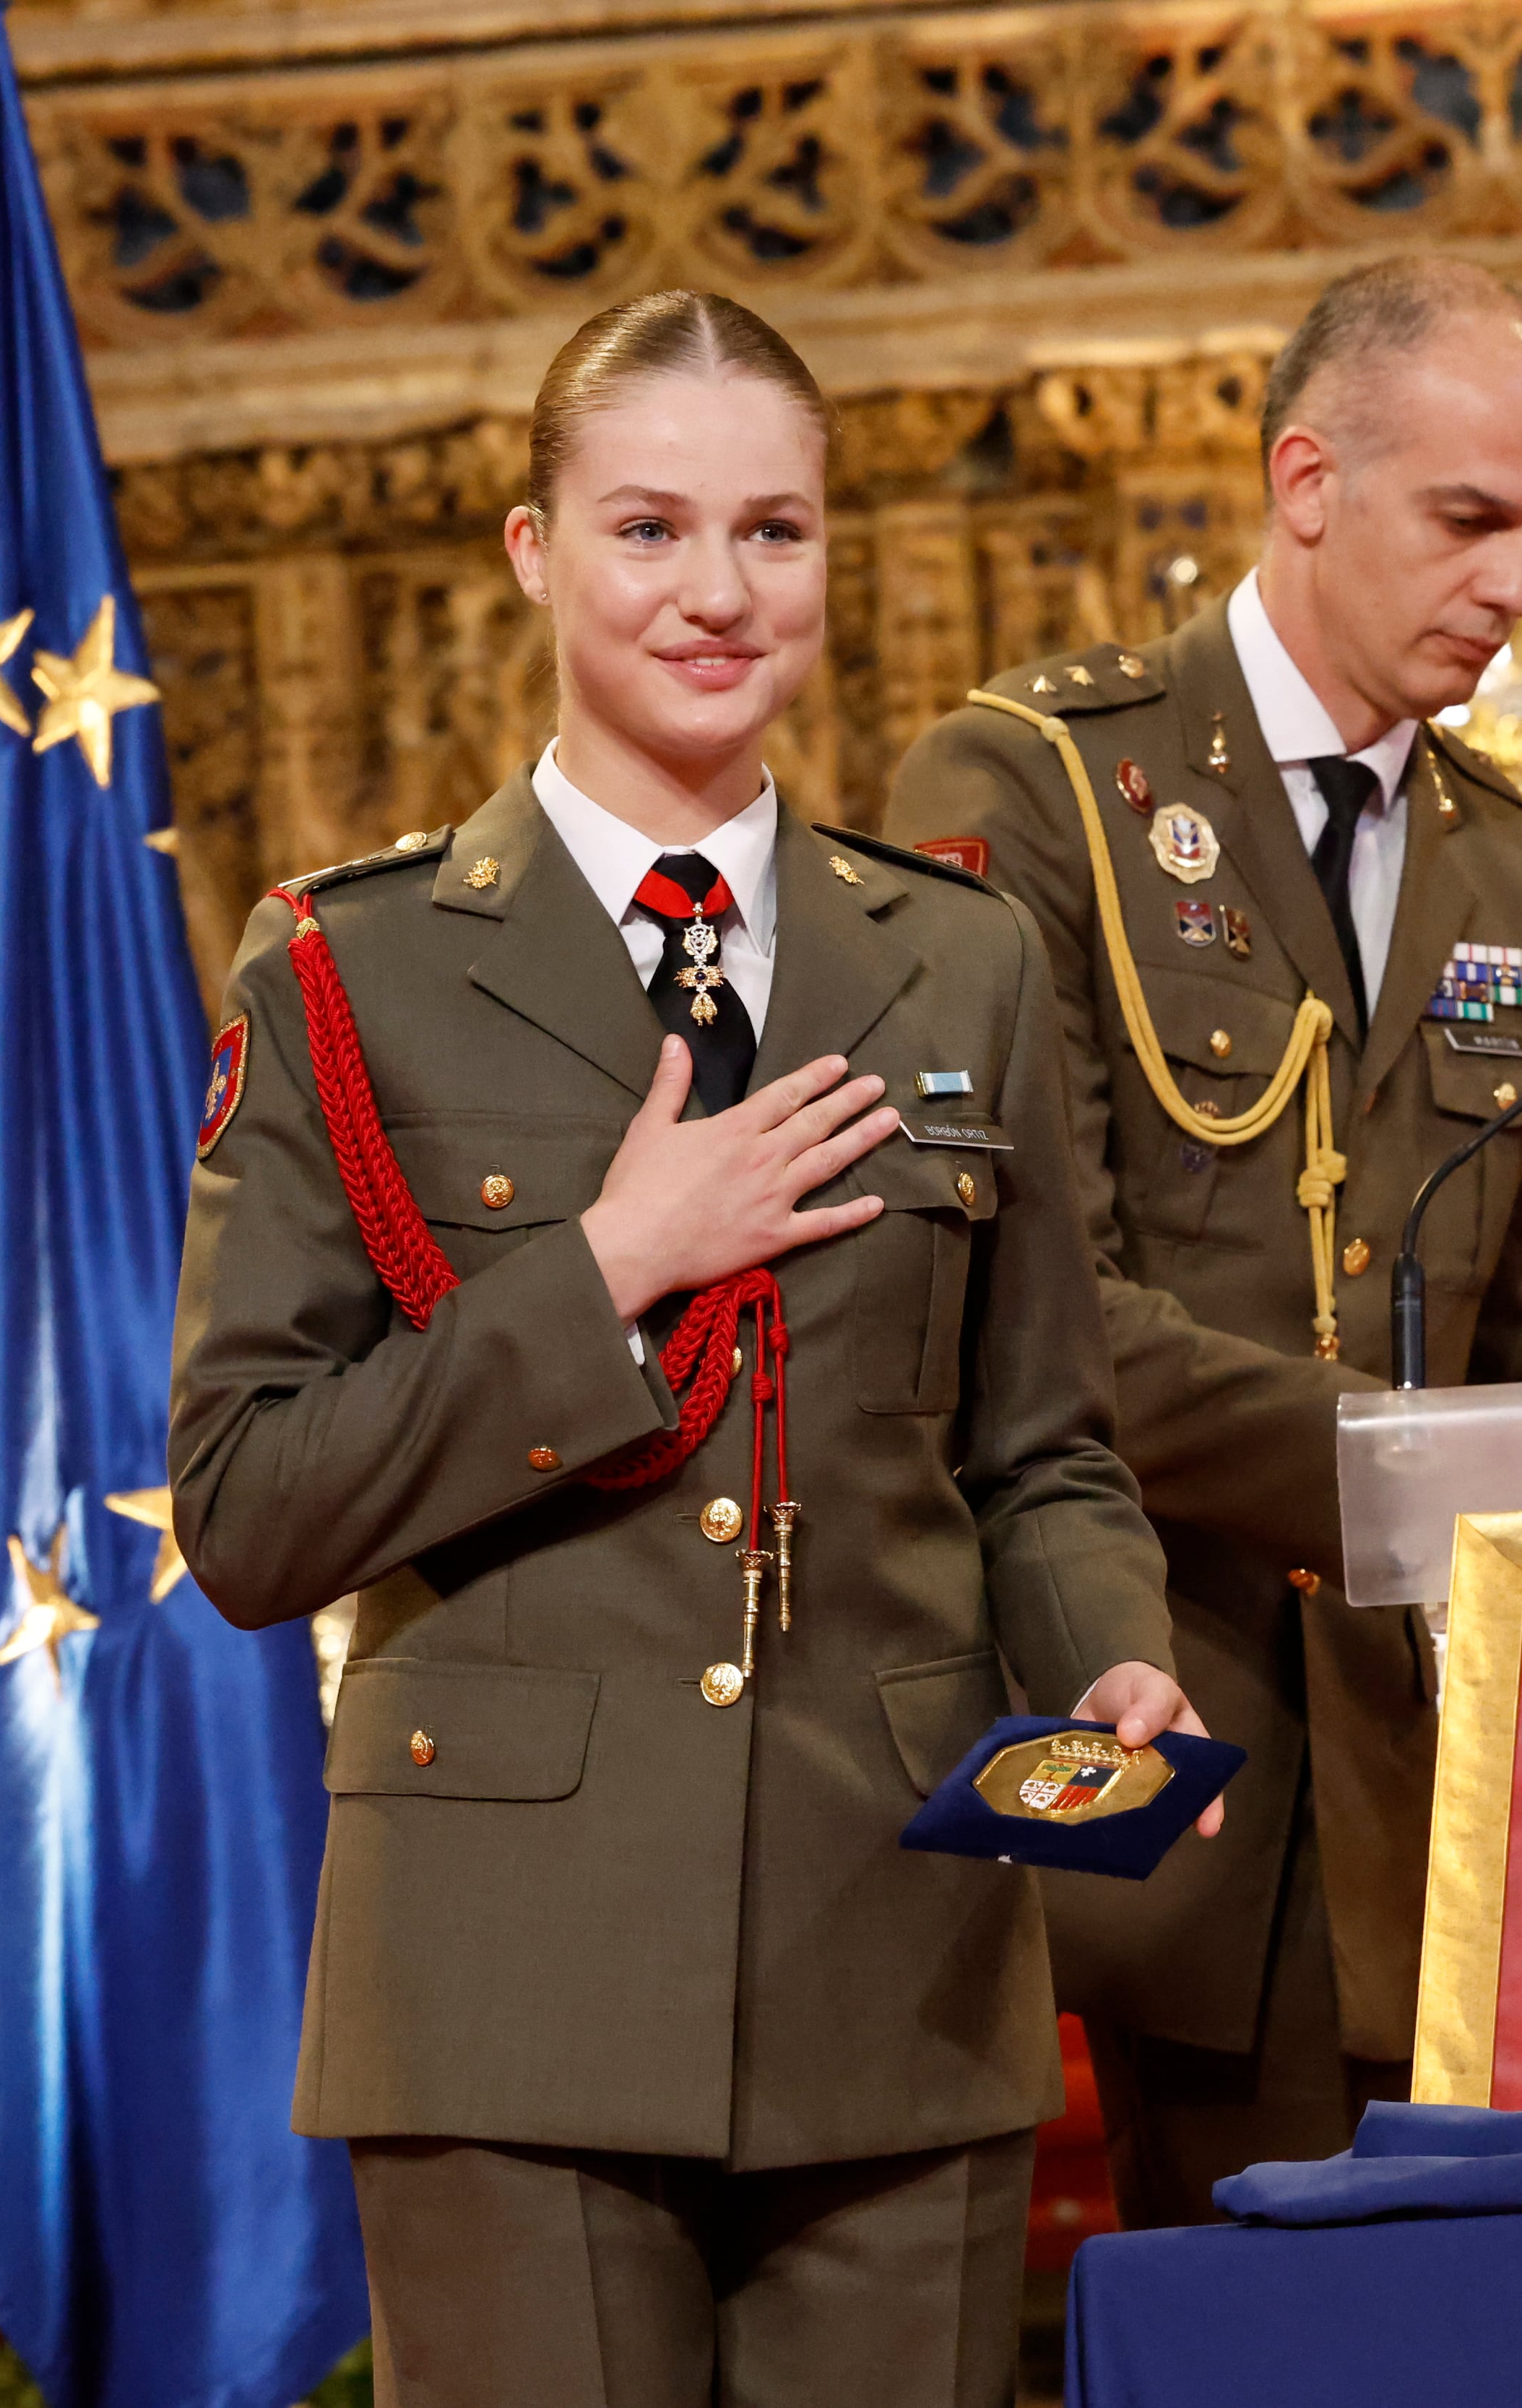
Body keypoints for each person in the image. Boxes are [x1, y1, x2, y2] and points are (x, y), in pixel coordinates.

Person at [171, 288, 1210, 2408]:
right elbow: (250, 1510)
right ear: (537, 552)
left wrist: (1110, 1644)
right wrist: (608, 1269)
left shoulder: (963, 960)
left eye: (777, 534)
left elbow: (1042, 1455)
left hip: (897, 1949)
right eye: (650, 530)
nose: (719, 596)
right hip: (505, 1978)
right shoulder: (351, 971)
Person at [883, 254, 1522, 2225]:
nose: (1518, 585)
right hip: (1154, 1713)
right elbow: (1021, 1315)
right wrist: (1424, 1464)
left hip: (1432, 1777)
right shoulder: (1036, 790)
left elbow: (1509, 1329)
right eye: (1470, 521)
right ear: (1308, 481)